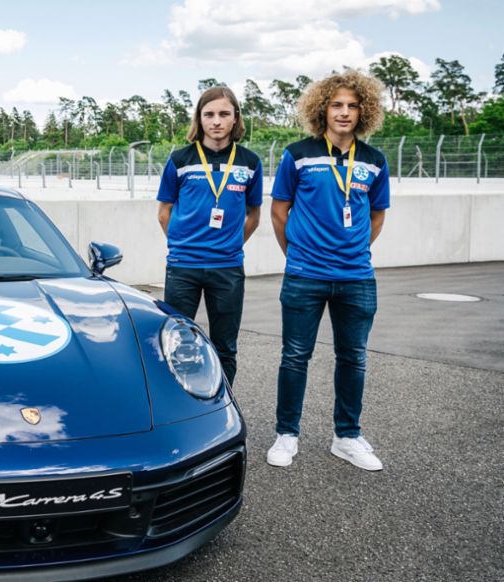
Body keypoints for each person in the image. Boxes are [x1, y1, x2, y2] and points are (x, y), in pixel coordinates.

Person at [265, 69, 389, 471]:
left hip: (356, 277)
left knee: (353, 358)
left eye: (353, 106)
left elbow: (376, 215)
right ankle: (287, 433)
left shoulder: (374, 160)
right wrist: (297, 254)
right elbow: (279, 211)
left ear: (364, 112)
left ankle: (347, 436)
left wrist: (350, 251)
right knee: (295, 356)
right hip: (304, 274)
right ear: (322, 109)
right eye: (337, 104)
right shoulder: (298, 153)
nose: (344, 112)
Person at [156, 86, 263, 387]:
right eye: (209, 114)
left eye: (223, 114)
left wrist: (229, 244)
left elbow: (253, 215)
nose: (216, 121)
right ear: (199, 119)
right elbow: (164, 212)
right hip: (183, 266)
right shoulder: (180, 159)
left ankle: (223, 406)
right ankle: (180, 407)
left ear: (235, 119)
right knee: (176, 343)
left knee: (225, 346)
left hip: (227, 268)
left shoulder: (250, 162)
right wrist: (181, 243)